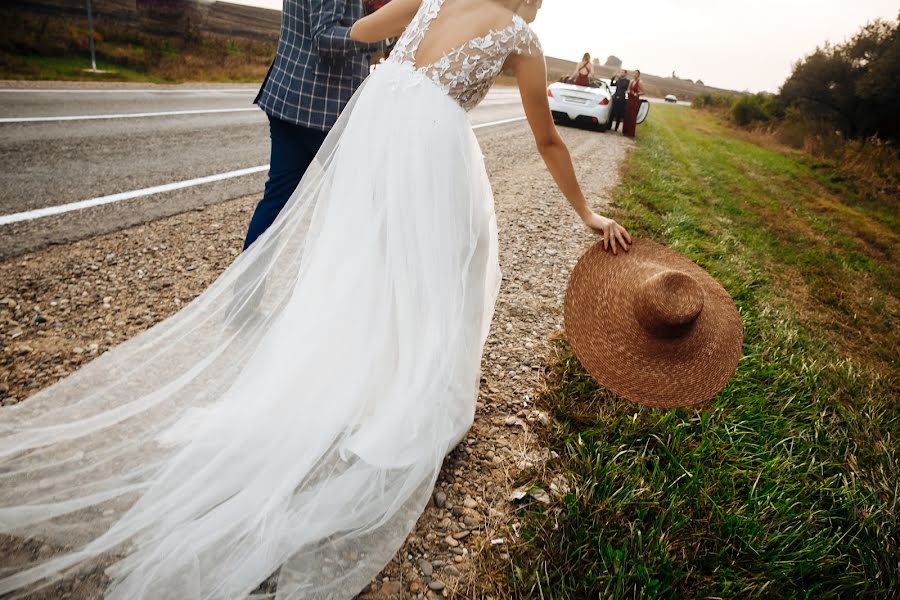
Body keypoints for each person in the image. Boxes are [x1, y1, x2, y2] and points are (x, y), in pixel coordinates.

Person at [0, 1, 631, 598]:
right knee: (445, 258)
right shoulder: (521, 38)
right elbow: (547, 140)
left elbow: (364, 29)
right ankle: (406, 383)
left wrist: (398, 50)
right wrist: (586, 214)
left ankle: (358, 367)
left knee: (366, 260)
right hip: (431, 142)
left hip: (377, 121)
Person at [243, 0, 387, 250]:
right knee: (362, 202)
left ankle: (247, 288)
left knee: (277, 200)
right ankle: (351, 282)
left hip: (291, 99)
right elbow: (325, 37)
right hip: (321, 107)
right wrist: (384, 37)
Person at [623, 68, 645, 138]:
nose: (634, 75)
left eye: (636, 73)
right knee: (627, 115)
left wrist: (636, 94)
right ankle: (625, 131)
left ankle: (631, 133)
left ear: (638, 75)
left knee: (632, 116)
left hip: (635, 101)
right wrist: (628, 91)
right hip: (629, 99)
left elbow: (643, 92)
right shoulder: (631, 81)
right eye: (634, 73)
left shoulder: (640, 82)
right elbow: (628, 89)